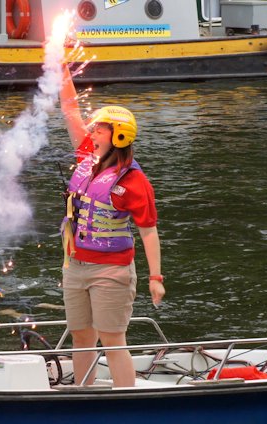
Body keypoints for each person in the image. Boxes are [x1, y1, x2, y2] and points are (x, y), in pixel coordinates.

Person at [58, 65, 164, 388]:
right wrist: (60, 66)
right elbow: (70, 109)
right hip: (75, 266)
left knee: (113, 339)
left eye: (100, 130)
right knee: (81, 335)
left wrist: (155, 278)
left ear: (118, 136)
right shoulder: (87, 158)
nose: (92, 134)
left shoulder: (133, 181)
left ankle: (125, 401)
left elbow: (148, 231)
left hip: (111, 271)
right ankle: (82, 394)